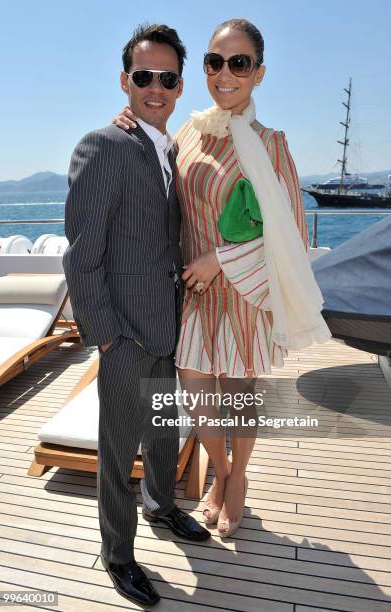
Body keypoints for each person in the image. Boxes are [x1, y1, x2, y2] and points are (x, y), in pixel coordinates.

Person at [113, 19, 331, 540]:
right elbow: (160, 183)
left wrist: (220, 261)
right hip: (192, 295)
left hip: (242, 292)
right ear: (204, 68)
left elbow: (290, 232)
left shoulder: (271, 143)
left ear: (258, 73)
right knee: (196, 395)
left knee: (238, 396)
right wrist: (128, 121)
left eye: (239, 63)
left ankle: (238, 479)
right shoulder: (186, 132)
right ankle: (222, 467)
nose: (225, 73)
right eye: (215, 62)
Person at [63, 23, 210, 608]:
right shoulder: (104, 145)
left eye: (167, 78)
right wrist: (105, 337)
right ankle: (117, 554)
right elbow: (82, 254)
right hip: (123, 332)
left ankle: (163, 507)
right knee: (118, 446)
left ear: (179, 87)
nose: (155, 87)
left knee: (163, 431)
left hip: (166, 324)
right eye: (143, 76)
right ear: (126, 82)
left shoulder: (169, 148)